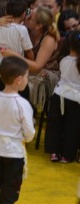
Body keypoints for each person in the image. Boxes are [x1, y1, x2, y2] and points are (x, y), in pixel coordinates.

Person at [0, 56, 35, 204]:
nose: (27, 79)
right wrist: (25, 138)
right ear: (19, 79)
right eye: (27, 76)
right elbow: (29, 131)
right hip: (14, 152)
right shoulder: (22, 104)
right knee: (10, 189)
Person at [0, 0, 34, 141]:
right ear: (24, 14)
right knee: (20, 102)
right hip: (15, 71)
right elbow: (28, 50)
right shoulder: (22, 29)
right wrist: (31, 61)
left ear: (6, 11)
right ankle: (18, 132)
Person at [44, 30, 80, 163]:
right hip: (76, 99)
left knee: (55, 125)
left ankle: (54, 152)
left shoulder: (64, 60)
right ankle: (67, 155)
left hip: (60, 96)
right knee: (73, 127)